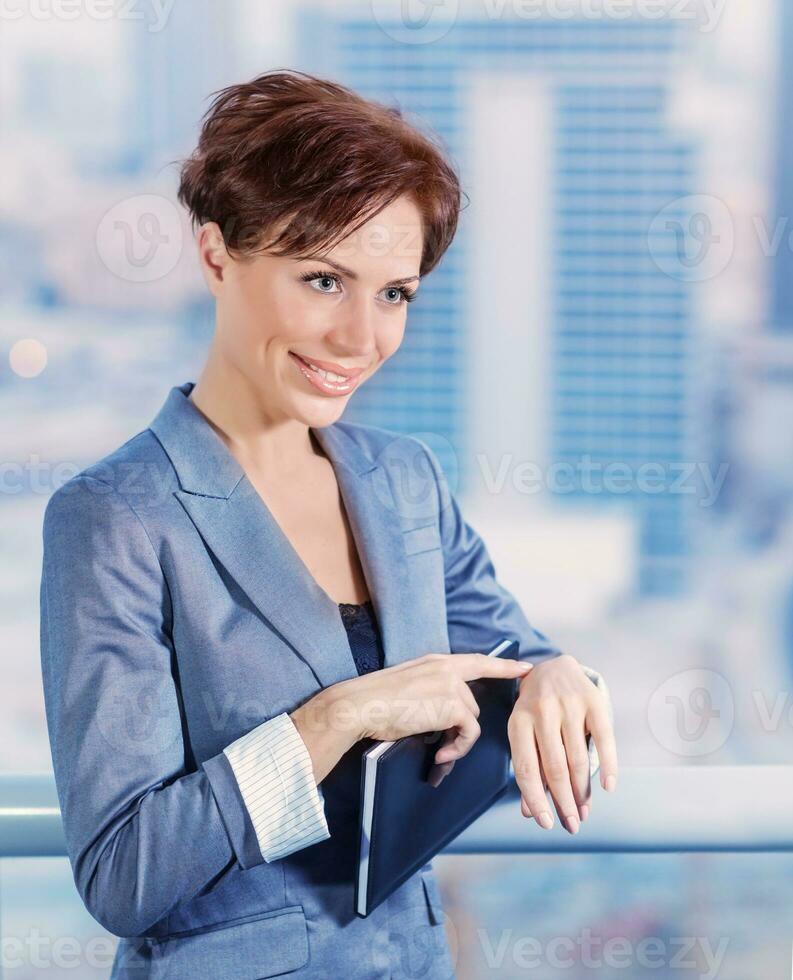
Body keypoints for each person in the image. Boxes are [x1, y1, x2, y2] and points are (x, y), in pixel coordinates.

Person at [39, 69, 617, 980]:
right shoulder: (116, 520)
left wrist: (556, 674)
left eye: (394, 294)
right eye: (322, 280)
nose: (361, 338)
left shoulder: (404, 482)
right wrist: (337, 719)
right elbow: (123, 873)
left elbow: (514, 668)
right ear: (216, 256)